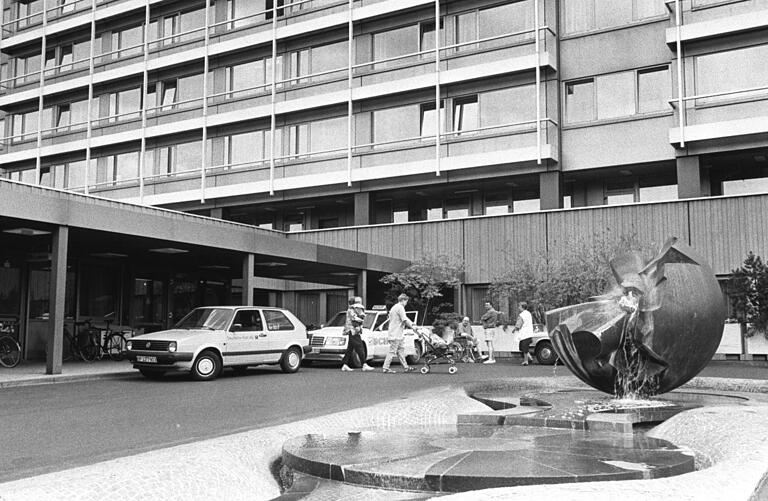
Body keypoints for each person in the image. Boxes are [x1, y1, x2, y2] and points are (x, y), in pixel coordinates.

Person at [382, 293, 417, 374]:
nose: (406, 303)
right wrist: (413, 327)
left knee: (401, 351)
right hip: (396, 334)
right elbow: (404, 319)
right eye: (406, 301)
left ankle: (406, 367)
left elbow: (404, 318)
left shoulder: (394, 307)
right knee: (392, 351)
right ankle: (385, 367)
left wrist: (412, 324)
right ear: (403, 300)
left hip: (395, 333)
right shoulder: (400, 308)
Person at [340, 296, 374, 372]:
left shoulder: (351, 309)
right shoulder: (352, 309)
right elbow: (354, 319)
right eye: (358, 302)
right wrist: (361, 319)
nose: (360, 303)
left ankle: (345, 364)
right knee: (359, 346)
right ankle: (364, 364)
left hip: (352, 330)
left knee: (350, 348)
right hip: (354, 330)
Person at [510, 301, 534, 365]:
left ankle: (526, 361)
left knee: (524, 348)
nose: (518, 308)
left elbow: (518, 324)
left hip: (524, 333)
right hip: (529, 332)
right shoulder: (528, 313)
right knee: (524, 347)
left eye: (519, 306)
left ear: (522, 307)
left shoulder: (521, 315)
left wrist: (514, 330)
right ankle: (530, 358)